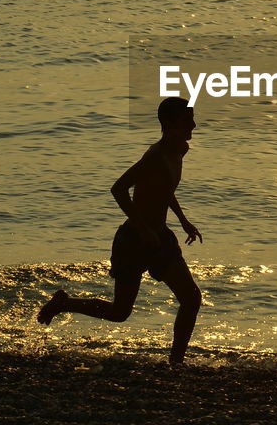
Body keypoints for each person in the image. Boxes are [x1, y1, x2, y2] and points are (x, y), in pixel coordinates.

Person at [37, 97, 203, 366]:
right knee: (119, 312)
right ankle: (63, 304)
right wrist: (142, 227)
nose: (194, 125)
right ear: (169, 124)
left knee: (191, 298)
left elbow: (164, 189)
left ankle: (176, 362)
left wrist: (183, 220)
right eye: (187, 120)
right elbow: (118, 189)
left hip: (160, 238)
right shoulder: (155, 156)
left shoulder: (179, 150)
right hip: (134, 241)